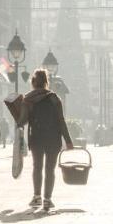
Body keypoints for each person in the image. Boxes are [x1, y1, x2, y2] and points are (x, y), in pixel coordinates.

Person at [22, 69, 74, 213]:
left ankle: (37, 196)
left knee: (37, 167)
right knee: (50, 169)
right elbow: (61, 121)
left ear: (33, 82)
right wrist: (68, 141)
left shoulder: (28, 99)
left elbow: (23, 120)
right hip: (53, 138)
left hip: (37, 138)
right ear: (46, 82)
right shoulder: (54, 98)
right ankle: (47, 199)